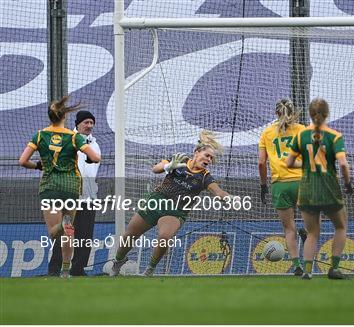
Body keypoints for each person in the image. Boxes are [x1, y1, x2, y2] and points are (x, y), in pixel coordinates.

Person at [110, 131, 234, 277]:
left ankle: (149, 270)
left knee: (164, 237)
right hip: (157, 200)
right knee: (130, 235)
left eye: (211, 158)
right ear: (196, 152)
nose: (209, 160)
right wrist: (169, 166)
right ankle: (117, 263)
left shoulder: (205, 177)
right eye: (207, 155)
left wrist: (231, 198)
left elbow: (219, 193)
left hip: (176, 210)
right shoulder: (179, 160)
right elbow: (155, 169)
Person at [19, 96, 101, 278]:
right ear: (66, 118)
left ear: (50, 116)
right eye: (86, 122)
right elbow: (95, 158)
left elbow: (22, 161)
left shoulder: (40, 135)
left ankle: (73, 268)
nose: (89, 125)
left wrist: (38, 165)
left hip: (50, 186)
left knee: (56, 232)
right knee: (69, 232)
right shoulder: (74, 138)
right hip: (72, 187)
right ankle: (63, 271)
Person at [286, 98, 353, 280]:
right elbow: (343, 164)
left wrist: (307, 166)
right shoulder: (334, 136)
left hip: (307, 189)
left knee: (313, 232)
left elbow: (289, 163)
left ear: (309, 114)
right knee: (340, 226)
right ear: (326, 114)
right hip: (329, 188)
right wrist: (347, 183)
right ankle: (334, 268)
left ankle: (307, 272)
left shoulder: (301, 135)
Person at [49, 110, 101, 276]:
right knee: (65, 232)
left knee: (85, 235)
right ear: (77, 124)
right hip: (70, 196)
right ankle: (54, 269)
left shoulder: (95, 145)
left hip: (89, 198)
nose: (89, 126)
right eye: (86, 122)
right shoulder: (67, 141)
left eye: (91, 123)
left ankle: (78, 269)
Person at [258, 99, 306, 276]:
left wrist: (263, 185)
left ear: (275, 113)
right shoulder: (301, 130)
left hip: (280, 184)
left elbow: (261, 163)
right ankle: (307, 230)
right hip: (302, 181)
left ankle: (296, 264)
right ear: (292, 112)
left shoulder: (267, 133)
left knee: (289, 228)